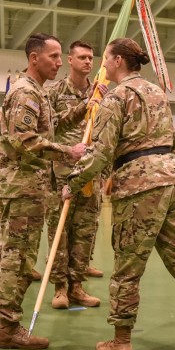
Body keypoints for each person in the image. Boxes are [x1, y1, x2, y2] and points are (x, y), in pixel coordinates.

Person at [62, 38, 175, 350]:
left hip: (140, 183)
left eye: (105, 58)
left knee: (128, 267)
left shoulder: (116, 96)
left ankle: (121, 341)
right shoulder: (156, 91)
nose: (102, 65)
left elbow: (100, 153)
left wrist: (74, 183)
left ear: (116, 61)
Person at [0, 33, 91, 350]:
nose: (59, 62)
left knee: (6, 256)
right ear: (34, 58)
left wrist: (86, 107)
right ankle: (10, 327)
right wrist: (67, 152)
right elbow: (24, 139)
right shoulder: (27, 93)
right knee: (17, 260)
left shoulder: (37, 93)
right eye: (54, 56)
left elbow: (50, 123)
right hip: (23, 188)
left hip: (21, 187)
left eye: (60, 56)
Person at [45, 40, 106, 309]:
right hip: (62, 170)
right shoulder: (56, 90)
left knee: (85, 230)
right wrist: (85, 105)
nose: (87, 62)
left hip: (91, 171)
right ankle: (59, 288)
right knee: (60, 230)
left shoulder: (101, 90)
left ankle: (77, 286)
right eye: (82, 57)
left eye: (91, 57)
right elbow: (52, 124)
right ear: (69, 60)